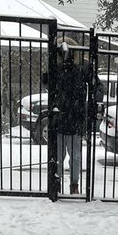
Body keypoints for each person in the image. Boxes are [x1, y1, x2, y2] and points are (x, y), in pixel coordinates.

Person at [43, 40, 92, 195]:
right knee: (59, 156)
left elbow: (95, 84)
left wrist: (92, 102)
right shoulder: (56, 66)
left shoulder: (83, 67)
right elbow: (47, 82)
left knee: (74, 157)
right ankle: (57, 183)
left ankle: (73, 184)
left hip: (74, 118)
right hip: (60, 118)